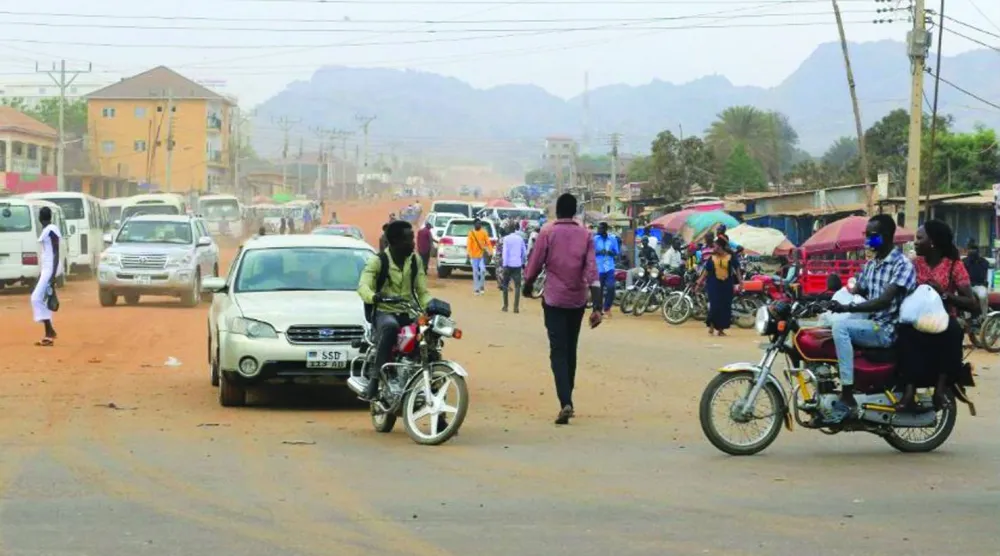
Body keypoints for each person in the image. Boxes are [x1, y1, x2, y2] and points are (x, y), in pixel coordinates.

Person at [524, 193, 602, 425]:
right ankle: (568, 397)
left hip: (554, 300)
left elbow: (535, 263)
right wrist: (597, 305)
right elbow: (592, 270)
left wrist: (527, 285)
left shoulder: (547, 232)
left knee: (558, 351)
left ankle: (565, 401)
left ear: (557, 211)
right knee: (571, 349)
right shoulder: (586, 235)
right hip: (577, 301)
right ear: (575, 211)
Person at [829, 214, 916, 421]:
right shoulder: (872, 264)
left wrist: (845, 308)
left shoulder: (901, 265)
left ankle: (848, 393)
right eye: (866, 236)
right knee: (826, 327)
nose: (868, 240)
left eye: (872, 236)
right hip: (870, 322)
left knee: (840, 327)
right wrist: (831, 296)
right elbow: (861, 290)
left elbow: (884, 301)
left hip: (885, 329)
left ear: (886, 237)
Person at [895, 220, 978, 410]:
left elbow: (971, 302)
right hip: (917, 319)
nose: (915, 243)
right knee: (903, 334)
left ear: (932, 242)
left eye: (919, 238)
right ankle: (909, 390)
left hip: (943, 319)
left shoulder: (954, 266)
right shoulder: (914, 264)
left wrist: (944, 294)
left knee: (953, 332)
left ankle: (940, 390)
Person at [356, 220, 432, 401]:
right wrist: (374, 297)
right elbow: (363, 286)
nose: (413, 243)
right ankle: (374, 381)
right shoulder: (378, 261)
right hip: (384, 311)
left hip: (408, 312)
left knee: (430, 334)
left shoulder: (415, 261)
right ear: (395, 242)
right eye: (409, 239)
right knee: (390, 328)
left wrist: (431, 306)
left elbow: (422, 292)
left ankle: (432, 383)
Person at [697, 237, 742, 337]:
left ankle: (721, 330)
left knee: (725, 307)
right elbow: (706, 271)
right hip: (713, 284)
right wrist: (699, 281)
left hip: (727, 285)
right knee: (715, 305)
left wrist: (740, 282)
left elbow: (737, 269)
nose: (714, 248)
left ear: (720, 247)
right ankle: (712, 326)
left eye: (715, 246)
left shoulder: (730, 257)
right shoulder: (712, 258)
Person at [31, 206, 62, 347]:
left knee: (36, 298)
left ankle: (49, 331)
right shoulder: (48, 230)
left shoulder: (51, 230)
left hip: (51, 268)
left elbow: (56, 253)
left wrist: (52, 275)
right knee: (42, 298)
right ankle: (49, 332)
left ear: (39, 218)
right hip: (47, 268)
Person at [594, 222, 619, 317]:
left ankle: (607, 307)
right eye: (598, 228)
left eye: (600, 228)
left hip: (609, 267)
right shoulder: (595, 239)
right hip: (599, 268)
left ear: (605, 229)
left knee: (611, 287)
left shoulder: (612, 239)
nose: (598, 230)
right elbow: (590, 252)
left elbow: (616, 252)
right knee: (599, 290)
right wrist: (599, 251)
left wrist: (610, 252)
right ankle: (599, 310)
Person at [500, 225, 527, 313]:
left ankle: (505, 306)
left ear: (508, 230)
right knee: (517, 286)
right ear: (515, 230)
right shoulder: (520, 239)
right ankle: (516, 307)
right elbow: (524, 252)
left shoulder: (506, 239)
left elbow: (505, 253)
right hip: (517, 265)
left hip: (508, 265)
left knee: (505, 285)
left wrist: (504, 265)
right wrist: (522, 262)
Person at [963, 239, 990, 319]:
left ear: (978, 250)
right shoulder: (963, 262)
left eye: (974, 249)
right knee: (962, 295)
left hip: (979, 285)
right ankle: (967, 318)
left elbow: (983, 276)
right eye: (971, 249)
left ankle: (985, 317)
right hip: (966, 285)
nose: (972, 251)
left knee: (983, 295)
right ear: (967, 250)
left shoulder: (984, 262)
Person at [466, 218, 492, 296]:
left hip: (481, 256)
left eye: (480, 223)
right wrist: (469, 254)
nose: (479, 225)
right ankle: (476, 289)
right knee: (475, 272)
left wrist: (490, 251)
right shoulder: (471, 233)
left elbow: (488, 243)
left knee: (483, 271)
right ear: (474, 224)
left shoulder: (484, 233)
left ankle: (481, 286)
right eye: (478, 223)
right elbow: (469, 245)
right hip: (474, 257)